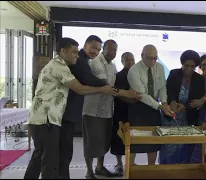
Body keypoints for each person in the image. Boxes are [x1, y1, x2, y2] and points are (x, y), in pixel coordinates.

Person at [24, 38, 118, 179]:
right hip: (47, 119)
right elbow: (79, 88)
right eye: (74, 52)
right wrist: (103, 88)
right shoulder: (59, 66)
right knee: (50, 161)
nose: (77, 55)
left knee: (40, 156)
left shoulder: (60, 64)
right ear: (63, 51)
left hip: (44, 119)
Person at [82, 40, 141, 179]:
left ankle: (100, 168)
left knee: (103, 141)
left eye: (115, 50)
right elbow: (106, 86)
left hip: (107, 110)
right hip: (93, 110)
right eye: (110, 50)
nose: (112, 53)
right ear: (104, 49)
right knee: (90, 143)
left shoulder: (112, 66)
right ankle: (89, 172)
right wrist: (127, 94)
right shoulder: (96, 62)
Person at [59, 35, 107, 179]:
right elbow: (87, 81)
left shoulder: (83, 60)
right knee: (63, 152)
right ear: (85, 46)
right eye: (93, 47)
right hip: (64, 112)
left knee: (64, 151)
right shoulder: (79, 61)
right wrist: (106, 85)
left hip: (68, 111)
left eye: (98, 49)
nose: (95, 52)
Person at [127, 44, 174, 165]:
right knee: (134, 141)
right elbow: (141, 95)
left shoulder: (159, 67)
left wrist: (164, 103)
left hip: (154, 108)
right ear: (142, 55)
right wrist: (160, 106)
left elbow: (163, 87)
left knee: (154, 141)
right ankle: (130, 169)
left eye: (155, 58)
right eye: (150, 58)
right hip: (138, 107)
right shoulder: (134, 70)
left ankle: (151, 169)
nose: (153, 61)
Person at [159, 50, 205, 164]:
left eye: (192, 66)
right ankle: (166, 171)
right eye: (186, 65)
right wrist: (173, 101)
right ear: (182, 64)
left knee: (183, 148)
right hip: (170, 116)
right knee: (168, 146)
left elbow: (196, 100)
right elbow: (168, 91)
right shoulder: (174, 73)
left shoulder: (199, 79)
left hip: (187, 118)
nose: (189, 68)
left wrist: (184, 106)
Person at [110, 52, 136, 176]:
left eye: (132, 60)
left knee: (133, 138)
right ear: (122, 61)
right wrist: (131, 98)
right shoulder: (118, 76)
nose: (130, 62)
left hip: (134, 112)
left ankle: (131, 163)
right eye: (127, 60)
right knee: (118, 139)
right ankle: (119, 164)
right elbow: (117, 93)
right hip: (120, 111)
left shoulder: (137, 75)